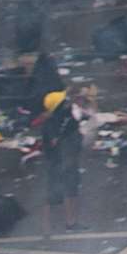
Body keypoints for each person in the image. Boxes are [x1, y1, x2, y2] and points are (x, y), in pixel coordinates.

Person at [35, 89, 85, 233]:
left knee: (72, 190)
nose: (68, 104)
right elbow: (53, 142)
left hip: (70, 160)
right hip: (56, 163)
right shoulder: (51, 124)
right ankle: (46, 228)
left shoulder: (69, 119)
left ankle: (72, 222)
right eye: (64, 103)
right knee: (52, 194)